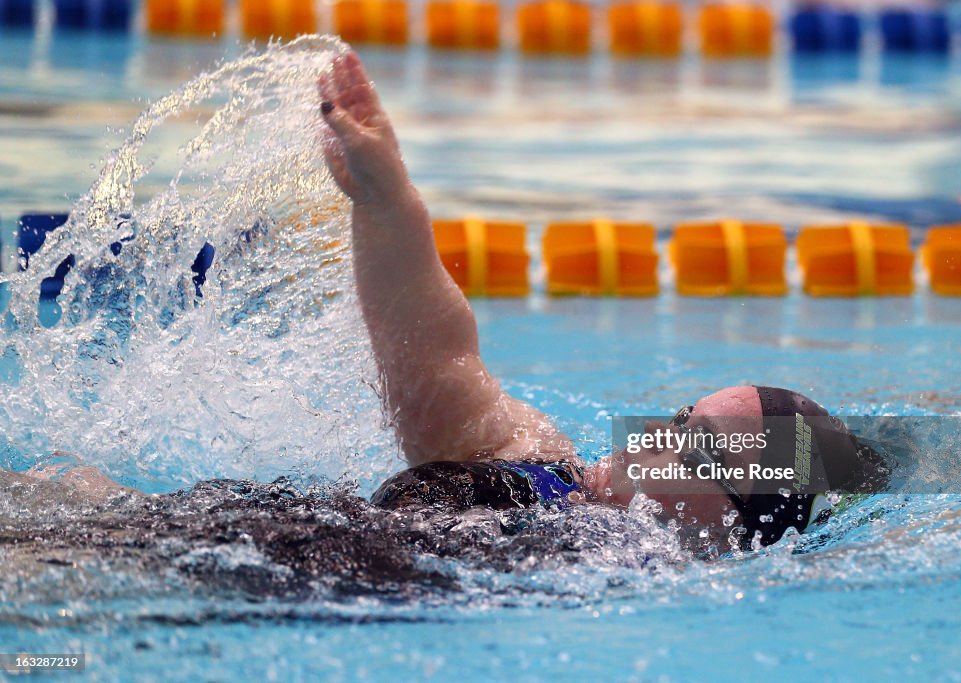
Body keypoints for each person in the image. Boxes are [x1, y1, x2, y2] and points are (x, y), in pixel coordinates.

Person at [316, 50, 889, 554]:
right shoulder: (535, 456)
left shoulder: (637, 572)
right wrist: (386, 202)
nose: (656, 438)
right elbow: (434, 363)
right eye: (681, 419)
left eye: (701, 452)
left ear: (738, 531)